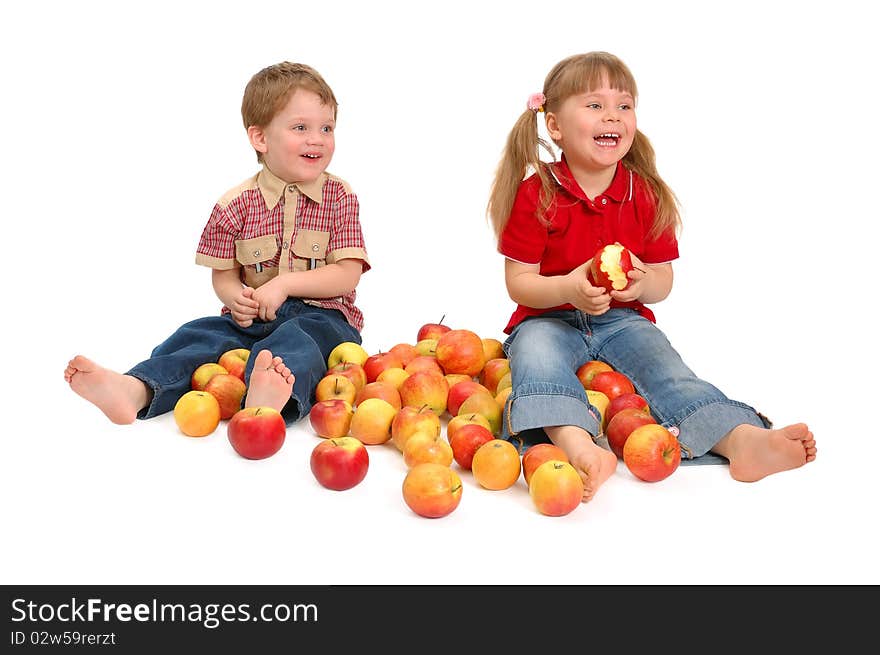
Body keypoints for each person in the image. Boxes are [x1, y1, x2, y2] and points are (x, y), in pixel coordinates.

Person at [487, 51, 816, 502]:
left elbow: (663, 281)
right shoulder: (537, 192)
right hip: (548, 318)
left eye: (624, 105)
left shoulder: (644, 193)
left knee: (670, 373)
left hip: (624, 320)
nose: (613, 116)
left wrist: (643, 284)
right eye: (595, 105)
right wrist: (567, 289)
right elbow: (519, 282)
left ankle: (742, 441)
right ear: (554, 125)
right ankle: (580, 448)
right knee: (536, 360)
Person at [65, 62, 369, 427]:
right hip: (252, 319)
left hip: (325, 317)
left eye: (327, 128)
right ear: (259, 138)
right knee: (199, 336)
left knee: (300, 341)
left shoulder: (340, 197)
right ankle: (136, 389)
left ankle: (268, 401)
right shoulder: (234, 205)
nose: (317, 138)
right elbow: (223, 276)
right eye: (300, 128)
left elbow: (347, 274)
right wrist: (233, 299)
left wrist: (284, 285)